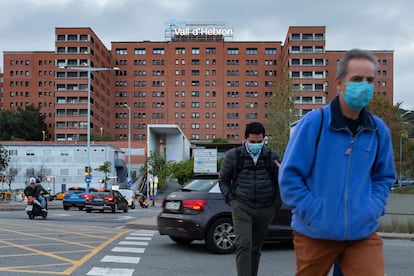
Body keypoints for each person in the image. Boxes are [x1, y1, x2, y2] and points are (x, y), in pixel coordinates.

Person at [278, 49, 396, 276]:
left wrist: (371, 208)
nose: (364, 86)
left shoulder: (378, 130)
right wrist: (313, 211)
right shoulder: (315, 123)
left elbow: (384, 177)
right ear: (339, 83)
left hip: (361, 232)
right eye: (357, 79)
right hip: (315, 232)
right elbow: (289, 177)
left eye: (370, 80)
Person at [219, 122, 281, 276]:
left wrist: (276, 204)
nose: (256, 145)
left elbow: (280, 181)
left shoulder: (272, 156)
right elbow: (223, 180)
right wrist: (231, 200)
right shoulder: (233, 156)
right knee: (243, 244)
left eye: (259, 142)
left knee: (255, 248)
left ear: (264, 139)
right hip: (242, 206)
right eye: (252, 142)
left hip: (266, 207)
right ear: (245, 139)